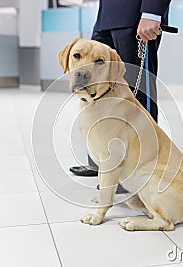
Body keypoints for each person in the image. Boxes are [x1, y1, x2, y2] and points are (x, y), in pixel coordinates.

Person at [70, 0, 171, 189]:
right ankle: (102, 164)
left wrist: (152, 11)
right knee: (98, 92)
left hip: (134, 16)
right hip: (105, 16)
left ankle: (136, 171)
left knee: (136, 95)